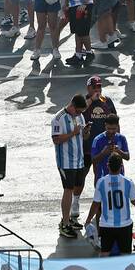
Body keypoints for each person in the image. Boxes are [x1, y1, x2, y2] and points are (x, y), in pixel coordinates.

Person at [87, 154, 135, 256]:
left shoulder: (101, 182)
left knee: (105, 255)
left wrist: (88, 219)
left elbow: (96, 204)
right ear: (121, 166)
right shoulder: (128, 182)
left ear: (108, 166)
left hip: (107, 225)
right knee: (126, 256)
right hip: (124, 225)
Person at [52, 95, 88, 238]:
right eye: (78, 111)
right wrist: (73, 133)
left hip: (79, 160)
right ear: (72, 106)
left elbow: (83, 137)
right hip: (65, 161)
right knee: (68, 189)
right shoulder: (58, 118)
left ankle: (69, 219)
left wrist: (85, 132)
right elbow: (56, 140)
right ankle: (65, 223)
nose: (80, 114)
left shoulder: (80, 116)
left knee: (76, 187)